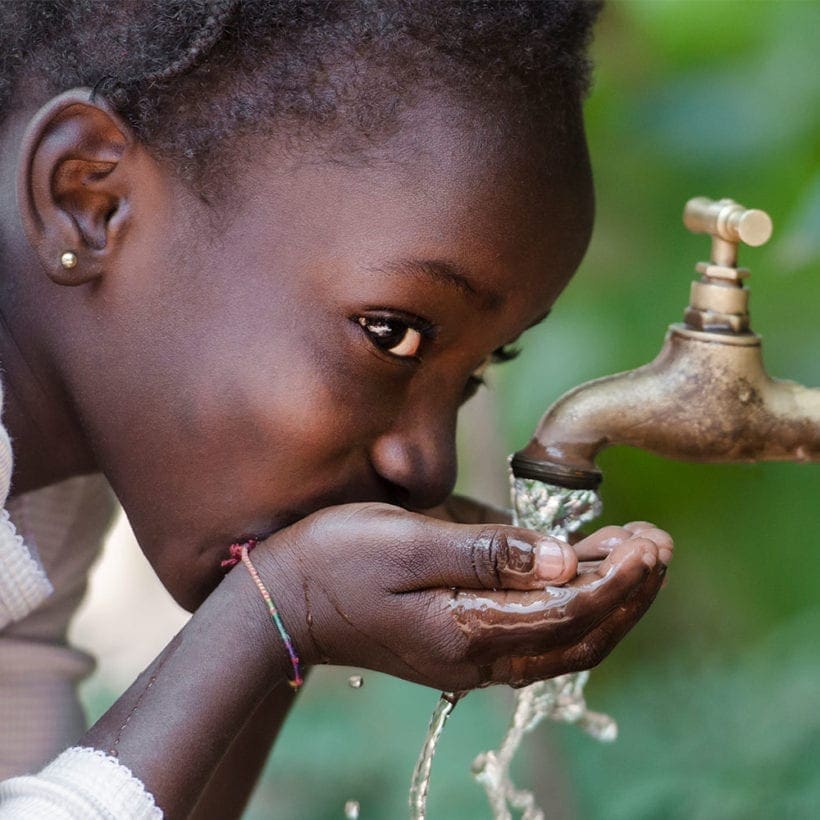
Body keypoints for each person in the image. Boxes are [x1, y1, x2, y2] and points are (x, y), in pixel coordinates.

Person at [0, 1, 674, 817]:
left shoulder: (45, 488)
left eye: (478, 370)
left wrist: (291, 616)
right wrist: (276, 613)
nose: (427, 466)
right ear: (89, 199)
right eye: (392, 334)